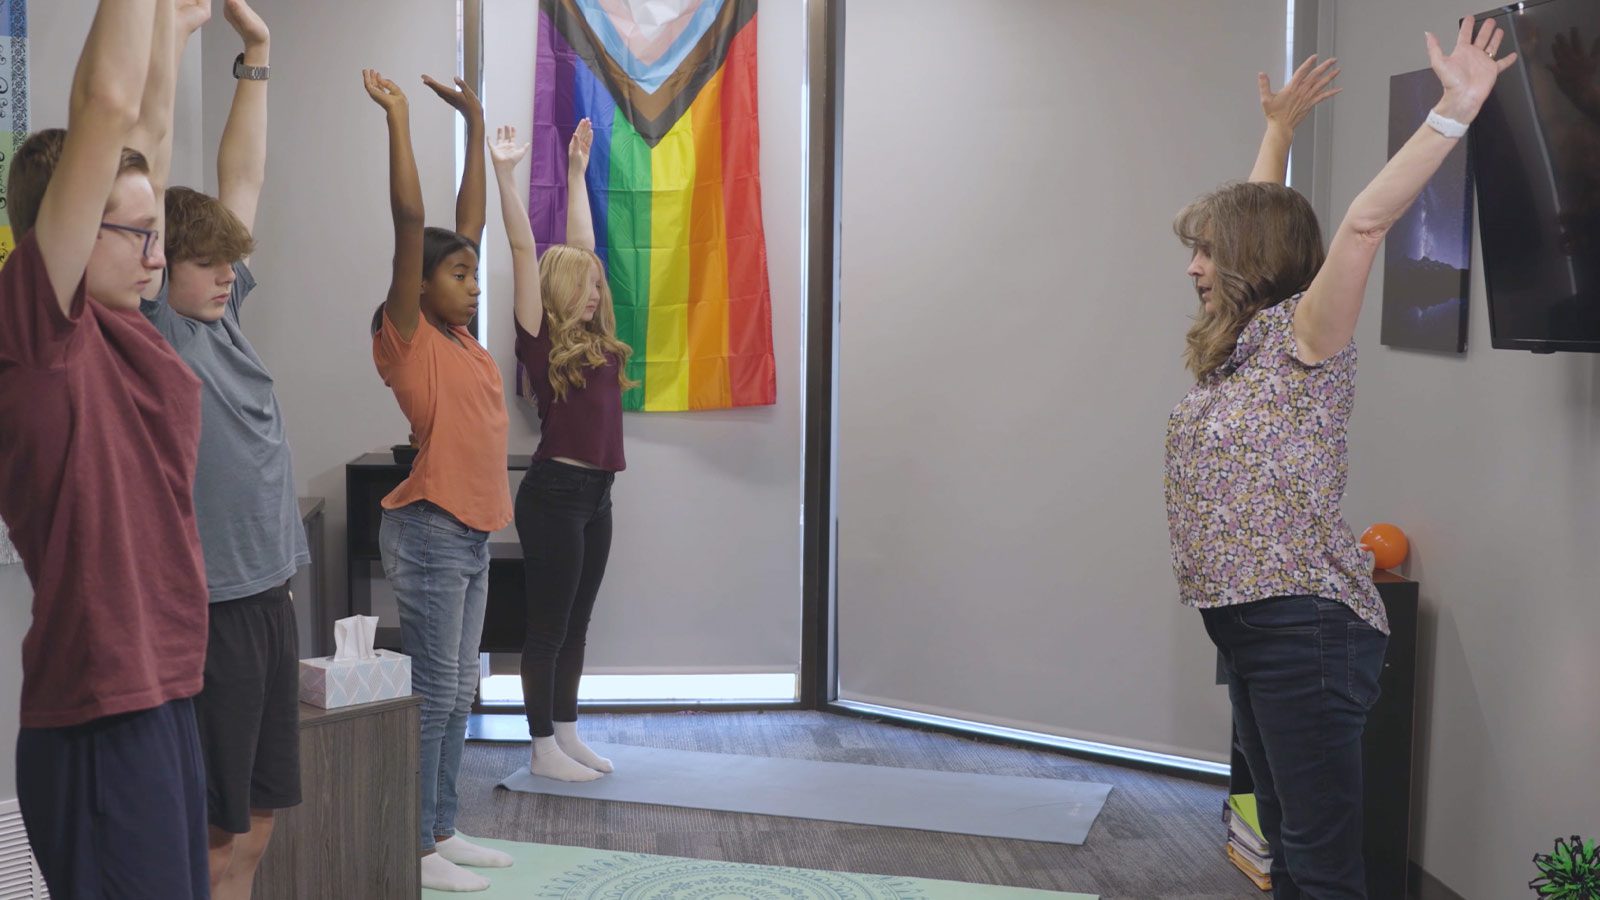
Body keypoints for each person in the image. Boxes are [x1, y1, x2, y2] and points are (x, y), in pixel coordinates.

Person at [1165, 22, 1516, 898]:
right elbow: (1259, 220)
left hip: (1305, 632)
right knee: (1286, 841)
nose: (1196, 268)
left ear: (1244, 263)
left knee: (1321, 864)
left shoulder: (1306, 339)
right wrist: (1278, 133)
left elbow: (1362, 225)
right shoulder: (1243, 342)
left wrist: (1453, 112)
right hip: (1250, 627)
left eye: (1206, 253)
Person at [0, 0, 214, 895]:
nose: (156, 252)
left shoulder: (133, 328)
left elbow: (145, 125)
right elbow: (108, 103)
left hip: (162, 694)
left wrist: (173, 27)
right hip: (97, 714)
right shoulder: (39, 337)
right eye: (133, 232)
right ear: (69, 225)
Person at [140, 2, 305, 895]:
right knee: (210, 826)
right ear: (167, 263)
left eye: (226, 266)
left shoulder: (223, 312)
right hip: (214, 611)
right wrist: (167, 39)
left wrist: (258, 50)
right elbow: (155, 150)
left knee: (264, 811)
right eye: (205, 264)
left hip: (273, 595)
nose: (221, 276)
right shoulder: (161, 323)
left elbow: (241, 179)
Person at [364, 67, 516, 892]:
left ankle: (442, 826)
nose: (474, 280)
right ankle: (413, 848)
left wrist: (475, 116)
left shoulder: (462, 339)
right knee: (432, 692)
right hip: (428, 529)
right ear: (418, 287)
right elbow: (415, 223)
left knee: (461, 690)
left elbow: (461, 228)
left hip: (471, 533)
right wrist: (398, 119)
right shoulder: (408, 337)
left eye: (474, 273)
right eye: (459, 276)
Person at [499, 118, 636, 782]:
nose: (593, 293)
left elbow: (579, 248)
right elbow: (528, 251)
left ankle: (569, 733)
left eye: (595, 286)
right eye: (582, 288)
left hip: (598, 494)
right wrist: (504, 176)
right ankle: (541, 746)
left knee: (579, 623)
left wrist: (577, 174)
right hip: (554, 496)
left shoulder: (593, 337)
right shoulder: (540, 339)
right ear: (557, 298)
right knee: (548, 627)